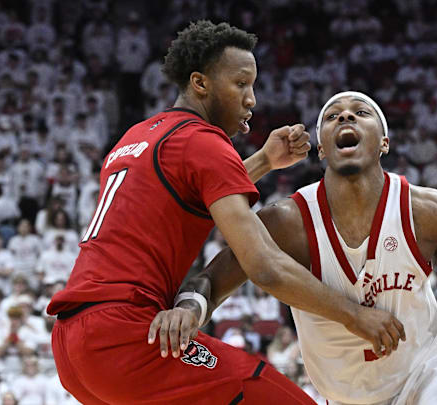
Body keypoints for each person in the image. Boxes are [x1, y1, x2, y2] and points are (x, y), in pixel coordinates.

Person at [152, 91, 437, 405]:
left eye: (361, 112)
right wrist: (189, 309)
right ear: (322, 149)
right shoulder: (287, 222)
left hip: (426, 374)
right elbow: (212, 278)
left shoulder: (425, 211)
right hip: (342, 394)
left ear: (383, 141)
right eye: (332, 116)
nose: (346, 117)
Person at [47, 21, 404, 405]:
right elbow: (264, 267)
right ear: (200, 83)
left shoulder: (138, 136)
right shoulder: (203, 142)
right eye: (241, 84)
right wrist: (355, 316)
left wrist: (265, 160)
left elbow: (192, 196)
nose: (251, 99)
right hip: (124, 334)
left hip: (72, 345)